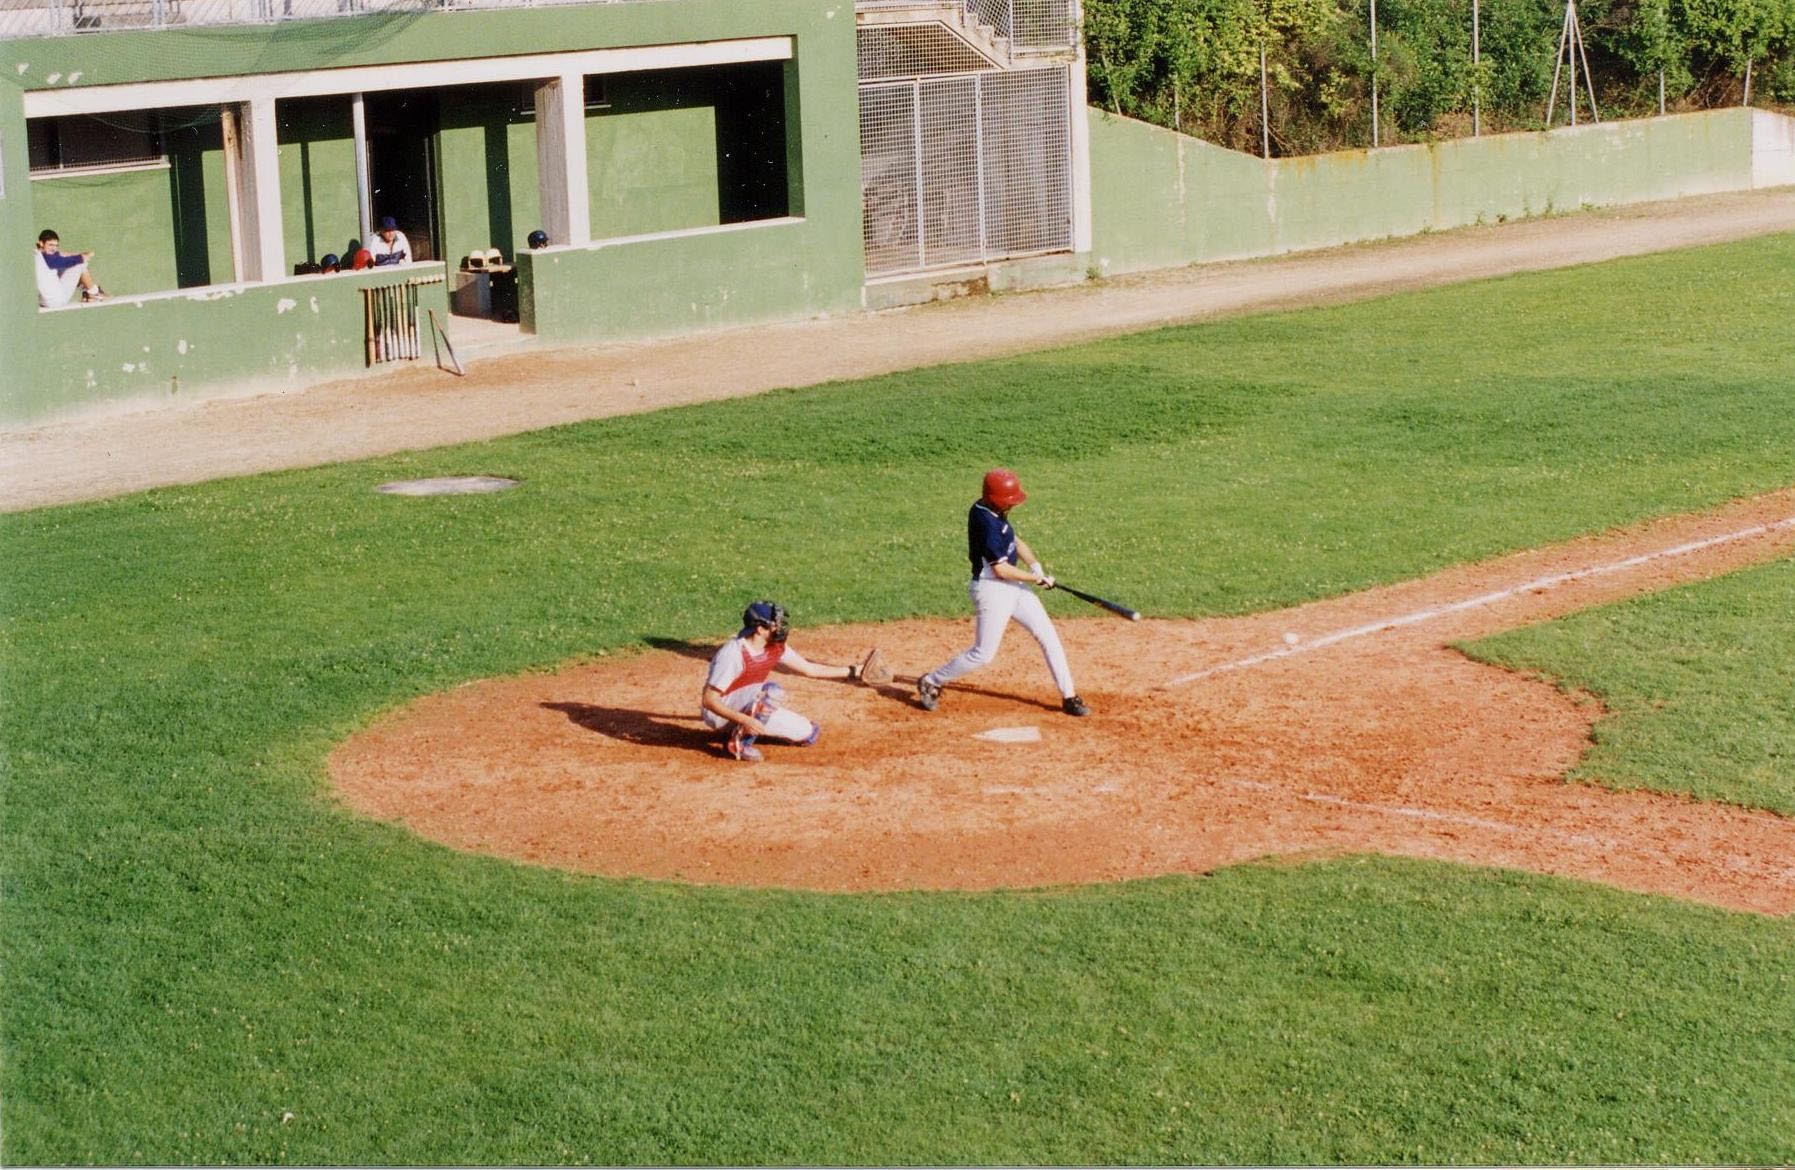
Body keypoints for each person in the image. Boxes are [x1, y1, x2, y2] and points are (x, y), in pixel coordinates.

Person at [916, 468, 1090, 716]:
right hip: (992, 590)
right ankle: (932, 680)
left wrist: (1036, 567)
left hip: (1014, 587)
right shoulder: (984, 521)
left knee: (1048, 636)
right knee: (983, 654)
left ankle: (1069, 696)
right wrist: (1035, 579)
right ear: (996, 499)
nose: (1012, 505)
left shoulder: (994, 510)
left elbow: (1015, 540)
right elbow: (1001, 570)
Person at [701, 600, 868, 762]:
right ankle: (739, 744)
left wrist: (853, 671)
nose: (780, 627)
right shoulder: (733, 654)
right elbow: (709, 700)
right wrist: (744, 720)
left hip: (750, 703)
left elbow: (810, 669)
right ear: (760, 629)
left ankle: (745, 727)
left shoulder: (775, 647)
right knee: (771, 692)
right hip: (720, 713)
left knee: (808, 733)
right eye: (775, 623)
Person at [34, 229, 105, 307]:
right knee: (80, 264)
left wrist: (80, 254)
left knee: (63, 267)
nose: (54, 248)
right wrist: (86, 255)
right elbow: (73, 260)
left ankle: (87, 290)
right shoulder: (49, 259)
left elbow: (60, 254)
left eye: (56, 245)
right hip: (57, 301)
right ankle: (94, 293)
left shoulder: (37, 254)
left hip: (42, 301)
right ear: (41, 243)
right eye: (50, 245)